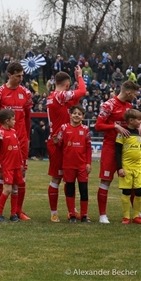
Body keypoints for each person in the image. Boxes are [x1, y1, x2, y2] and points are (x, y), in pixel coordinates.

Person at [0, 62, 33, 220]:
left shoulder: (26, 93)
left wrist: (27, 138)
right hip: (5, 140)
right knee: (1, 173)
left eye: (22, 75)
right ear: (9, 75)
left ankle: (17, 211)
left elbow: (28, 117)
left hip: (21, 140)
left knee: (22, 173)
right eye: (17, 76)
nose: (21, 78)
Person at [95, 80, 139, 224]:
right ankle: (102, 215)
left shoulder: (129, 106)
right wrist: (115, 126)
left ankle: (136, 214)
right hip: (110, 147)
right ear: (128, 93)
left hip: (126, 149)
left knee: (132, 181)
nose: (135, 97)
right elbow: (98, 125)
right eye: (134, 94)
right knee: (106, 180)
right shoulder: (109, 105)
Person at [46, 67, 86, 222]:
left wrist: (76, 81)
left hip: (65, 140)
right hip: (57, 142)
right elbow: (82, 91)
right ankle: (54, 213)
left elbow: (75, 100)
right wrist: (80, 77)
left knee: (69, 177)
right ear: (67, 85)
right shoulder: (59, 95)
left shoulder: (56, 97)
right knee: (57, 178)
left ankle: (72, 210)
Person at [55, 105, 91, 223]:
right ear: (70, 115)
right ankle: (72, 215)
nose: (76, 115)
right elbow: (59, 144)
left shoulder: (85, 129)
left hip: (81, 165)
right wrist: (56, 141)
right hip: (68, 165)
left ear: (83, 117)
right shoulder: (64, 128)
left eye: (79, 114)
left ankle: (84, 215)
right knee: (70, 190)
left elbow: (88, 148)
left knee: (83, 190)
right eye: (74, 113)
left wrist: (88, 163)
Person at [0, 109, 23, 223]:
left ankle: (13, 214)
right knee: (8, 189)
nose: (15, 121)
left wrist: (21, 163)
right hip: (8, 166)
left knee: (15, 189)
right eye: (13, 119)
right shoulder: (1, 133)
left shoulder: (13, 132)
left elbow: (18, 149)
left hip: (16, 166)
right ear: (6, 121)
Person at [115, 109, 141, 224]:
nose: (140, 121)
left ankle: (136, 216)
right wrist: (120, 168)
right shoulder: (122, 133)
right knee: (126, 192)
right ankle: (126, 217)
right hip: (126, 167)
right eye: (138, 119)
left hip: (139, 168)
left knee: (139, 192)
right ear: (131, 120)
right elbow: (117, 152)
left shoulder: (139, 133)